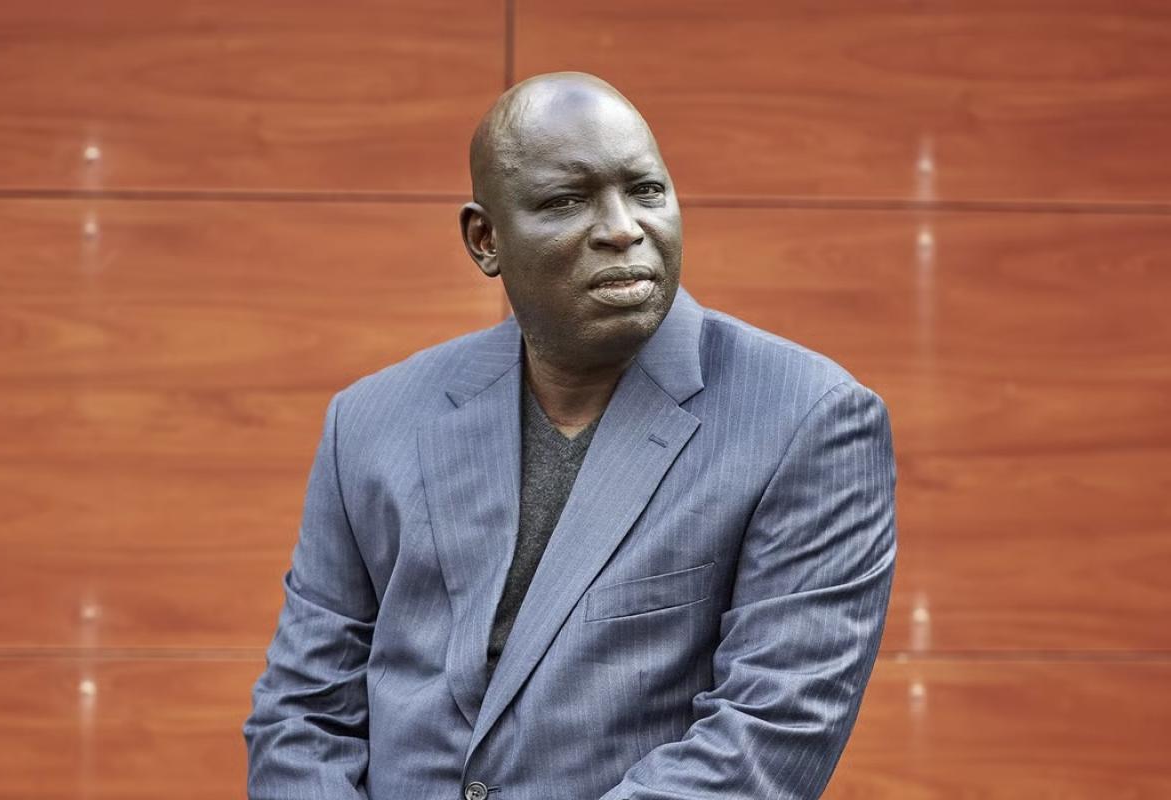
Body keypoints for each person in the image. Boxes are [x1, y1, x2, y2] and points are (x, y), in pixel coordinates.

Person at [244, 72, 896, 800]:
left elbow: (768, 734)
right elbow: (302, 713)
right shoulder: (370, 420)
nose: (623, 228)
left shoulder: (808, 419)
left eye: (646, 190)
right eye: (566, 201)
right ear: (485, 239)